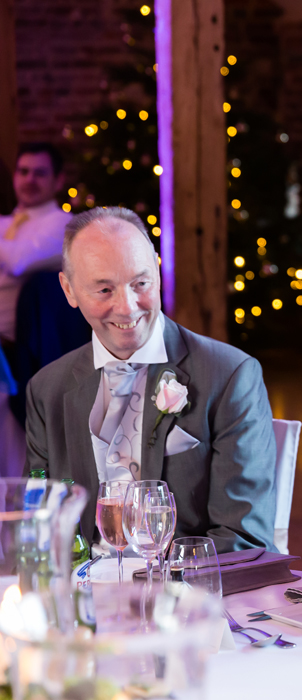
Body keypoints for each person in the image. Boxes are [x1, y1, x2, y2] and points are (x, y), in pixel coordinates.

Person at [24, 207, 277, 553]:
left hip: (182, 584)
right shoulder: (47, 389)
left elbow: (243, 539)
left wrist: (152, 579)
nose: (128, 307)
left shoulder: (230, 375)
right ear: (69, 290)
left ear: (157, 273)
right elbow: (36, 526)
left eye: (140, 284)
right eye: (104, 290)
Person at [0, 143, 71, 477]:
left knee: (12, 456)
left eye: (39, 173)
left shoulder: (63, 225)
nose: (29, 180)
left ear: (58, 180)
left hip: (21, 354)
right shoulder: (6, 224)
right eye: (23, 171)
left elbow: (19, 262)